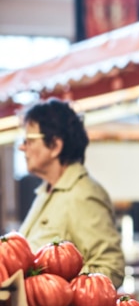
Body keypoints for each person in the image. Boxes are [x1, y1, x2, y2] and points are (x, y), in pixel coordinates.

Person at [17, 98, 126, 289]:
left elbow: (112, 270)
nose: (22, 147)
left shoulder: (83, 195)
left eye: (29, 140)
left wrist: (54, 286)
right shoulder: (45, 192)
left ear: (55, 146)